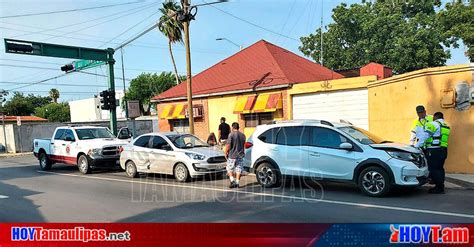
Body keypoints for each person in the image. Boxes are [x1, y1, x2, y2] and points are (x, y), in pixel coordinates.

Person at [423, 112, 450, 194]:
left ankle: (439, 188)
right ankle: (441, 184)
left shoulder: (434, 124)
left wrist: (419, 144)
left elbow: (425, 135)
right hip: (443, 149)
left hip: (434, 150)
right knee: (440, 168)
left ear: (435, 117)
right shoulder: (446, 125)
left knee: (434, 168)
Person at [225, 122, 246, 188]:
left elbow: (228, 145)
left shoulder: (231, 135)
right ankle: (237, 183)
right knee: (238, 169)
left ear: (232, 127)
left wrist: (226, 153)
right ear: (238, 127)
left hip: (232, 155)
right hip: (240, 155)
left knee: (229, 168)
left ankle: (232, 181)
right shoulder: (243, 135)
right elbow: (244, 145)